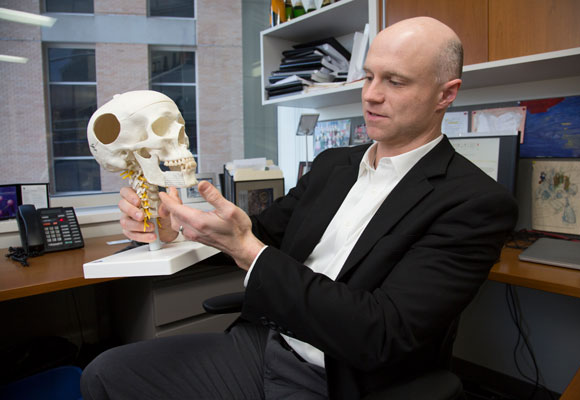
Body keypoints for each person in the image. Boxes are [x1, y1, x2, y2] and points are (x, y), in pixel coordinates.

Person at [81, 17, 518, 400]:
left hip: (336, 376)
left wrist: (247, 250)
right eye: (368, 77)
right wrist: (175, 227)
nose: (371, 95)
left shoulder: (475, 203)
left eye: (395, 81)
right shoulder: (335, 165)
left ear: (446, 94)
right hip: (266, 340)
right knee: (104, 375)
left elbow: (381, 333)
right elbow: (263, 232)